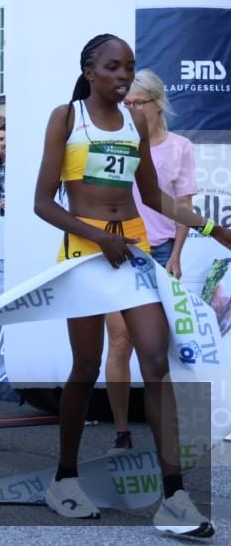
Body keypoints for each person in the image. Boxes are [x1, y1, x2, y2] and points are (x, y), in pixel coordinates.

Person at [33, 33, 229, 535]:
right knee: (83, 365)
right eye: (113, 68)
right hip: (84, 256)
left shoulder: (135, 120)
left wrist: (213, 228)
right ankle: (65, 478)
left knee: (156, 362)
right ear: (90, 70)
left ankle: (175, 497)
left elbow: (152, 196)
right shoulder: (66, 118)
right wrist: (98, 237)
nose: (123, 76)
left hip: (133, 253)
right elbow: (44, 204)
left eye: (129, 68)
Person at [105, 70, 199, 454]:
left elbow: (184, 208)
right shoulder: (118, 142)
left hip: (160, 253)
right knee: (120, 341)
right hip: (120, 250)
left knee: (160, 347)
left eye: (137, 103)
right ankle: (123, 433)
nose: (129, 109)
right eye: (125, 103)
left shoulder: (180, 147)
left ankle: (172, 434)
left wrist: (176, 255)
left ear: (158, 105)